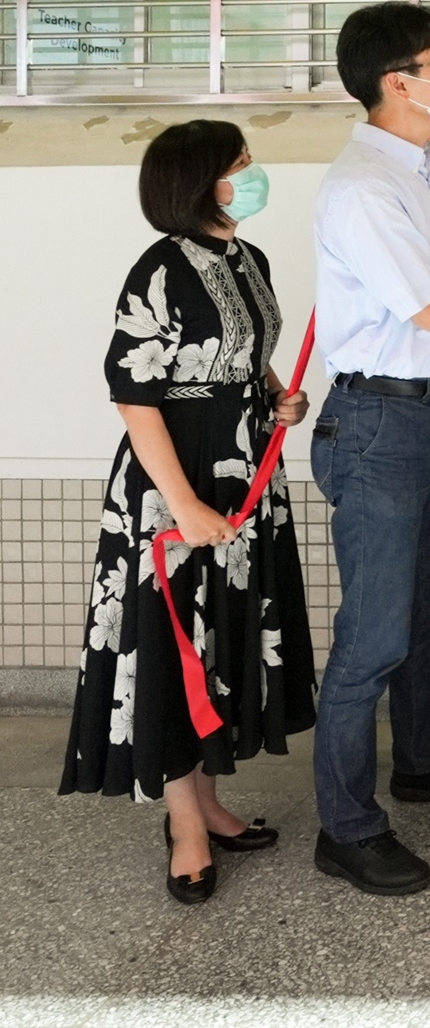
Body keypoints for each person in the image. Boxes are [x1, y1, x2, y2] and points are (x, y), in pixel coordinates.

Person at [61, 119, 316, 904]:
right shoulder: (160, 268)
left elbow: (245, 353)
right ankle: (184, 824)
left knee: (219, 642)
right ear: (200, 180)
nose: (253, 173)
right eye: (240, 164)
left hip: (245, 477)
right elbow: (135, 397)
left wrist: (278, 396)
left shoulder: (248, 257)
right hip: (175, 485)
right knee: (174, 648)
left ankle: (207, 800)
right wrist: (184, 505)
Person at [309, 1, 430, 896]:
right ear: (398, 81)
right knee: (373, 635)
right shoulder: (363, 188)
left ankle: (423, 759)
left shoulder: (425, 167)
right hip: (378, 426)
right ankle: (346, 828)